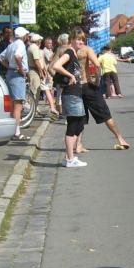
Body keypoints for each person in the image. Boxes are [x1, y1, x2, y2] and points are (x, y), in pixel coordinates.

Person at [76, 40, 131, 151]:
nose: (81, 42)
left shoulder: (67, 50)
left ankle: (78, 145)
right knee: (105, 114)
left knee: (80, 117)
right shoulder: (87, 49)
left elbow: (52, 68)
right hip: (87, 85)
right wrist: (97, 82)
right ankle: (120, 139)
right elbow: (97, 65)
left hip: (75, 87)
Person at [50, 31, 88, 167]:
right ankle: (70, 159)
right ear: (71, 39)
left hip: (75, 93)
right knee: (73, 125)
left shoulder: (74, 54)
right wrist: (70, 76)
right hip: (71, 94)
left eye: (82, 40)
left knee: (79, 124)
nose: (81, 42)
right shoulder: (70, 52)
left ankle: (68, 157)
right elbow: (56, 66)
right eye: (78, 39)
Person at [0, 26, 31, 141]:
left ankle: (13, 130)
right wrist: (21, 69)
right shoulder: (20, 45)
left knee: (13, 104)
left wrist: (9, 67)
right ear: (24, 36)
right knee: (18, 104)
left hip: (10, 74)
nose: (27, 37)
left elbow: (0, 57)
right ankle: (17, 132)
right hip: (17, 75)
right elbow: (18, 56)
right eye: (26, 35)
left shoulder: (11, 45)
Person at [27, 33, 59, 119]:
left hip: (39, 72)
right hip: (35, 71)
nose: (40, 42)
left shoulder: (37, 49)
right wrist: (42, 72)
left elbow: (42, 63)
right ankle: (34, 110)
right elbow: (37, 61)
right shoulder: (35, 48)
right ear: (38, 41)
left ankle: (42, 108)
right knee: (35, 91)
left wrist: (44, 72)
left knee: (43, 90)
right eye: (40, 41)